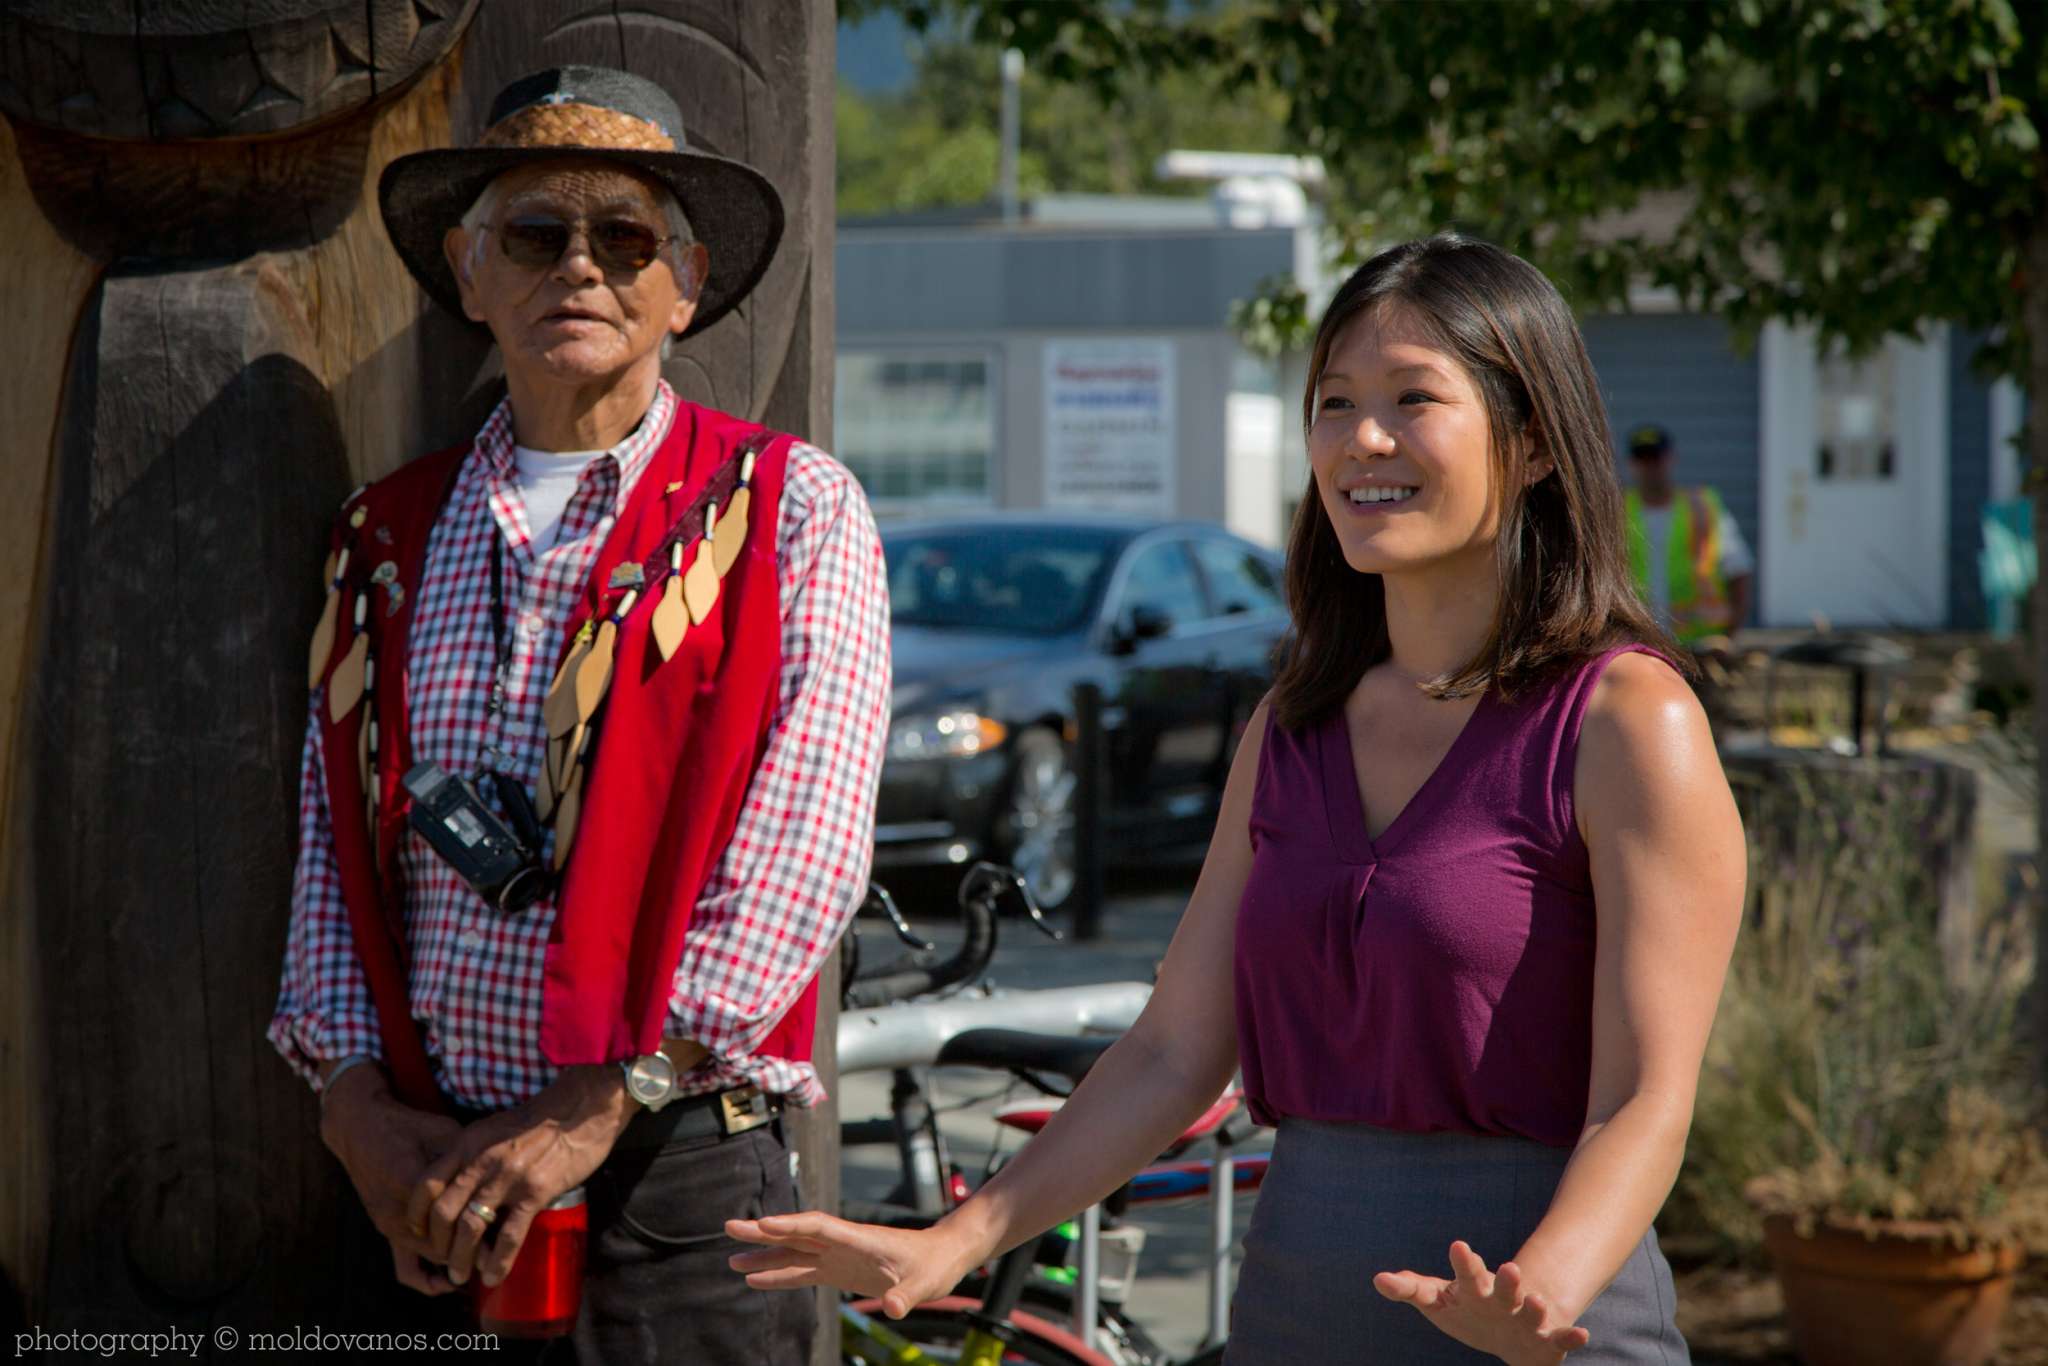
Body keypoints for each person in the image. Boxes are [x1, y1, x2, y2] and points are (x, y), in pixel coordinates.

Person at [728, 235, 1744, 1364]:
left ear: (1536, 443)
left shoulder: (1624, 720)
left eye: (1413, 398)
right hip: (1292, 1307)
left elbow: (1642, 1098)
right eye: (1333, 402)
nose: (1361, 439)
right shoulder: (1290, 729)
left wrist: (1538, 1287)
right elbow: (1171, 1052)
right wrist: (951, 1242)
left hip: (1545, 1323)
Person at [268, 66, 889, 1364]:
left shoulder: (791, 507)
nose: (582, 269)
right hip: (428, 1180)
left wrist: (610, 1095)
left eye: (626, 238)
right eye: (537, 234)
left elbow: (807, 857)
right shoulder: (382, 534)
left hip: (675, 1172)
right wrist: (349, 1104)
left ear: (686, 283)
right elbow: (330, 851)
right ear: (469, 271)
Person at [1622, 423, 1754, 646]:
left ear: (1670, 459)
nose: (1651, 466)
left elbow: (1738, 569)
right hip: (1636, 643)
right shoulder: (1616, 510)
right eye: (1643, 459)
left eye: (1656, 457)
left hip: (1699, 643)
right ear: (1632, 464)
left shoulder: (1703, 507)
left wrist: (1729, 636)